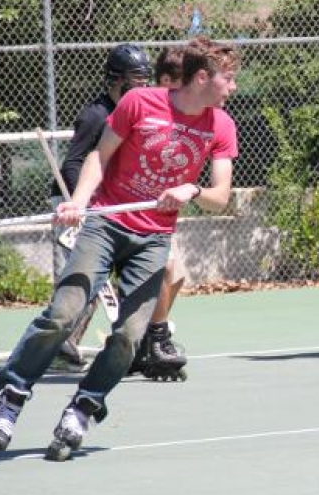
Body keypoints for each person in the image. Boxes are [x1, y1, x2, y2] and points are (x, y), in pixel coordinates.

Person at [0, 36, 239, 463]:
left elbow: (221, 195)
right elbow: (99, 158)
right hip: (107, 222)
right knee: (63, 313)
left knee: (130, 336)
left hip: (154, 238)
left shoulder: (222, 126)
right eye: (228, 79)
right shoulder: (140, 103)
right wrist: (79, 203)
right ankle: (11, 394)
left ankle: (85, 405)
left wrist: (192, 189)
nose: (232, 88)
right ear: (202, 77)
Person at [48, 43, 152, 373]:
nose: (142, 86)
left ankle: (74, 344)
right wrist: (83, 203)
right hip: (75, 203)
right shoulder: (95, 115)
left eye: (145, 79)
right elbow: (73, 164)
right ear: (116, 79)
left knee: (110, 276)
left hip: (108, 206)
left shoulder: (132, 112)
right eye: (136, 78)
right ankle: (56, 345)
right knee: (88, 277)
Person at [127, 45, 191, 380]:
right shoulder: (142, 108)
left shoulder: (183, 113)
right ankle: (153, 341)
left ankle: (147, 336)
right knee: (164, 272)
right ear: (165, 79)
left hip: (164, 212)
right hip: (135, 215)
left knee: (175, 277)